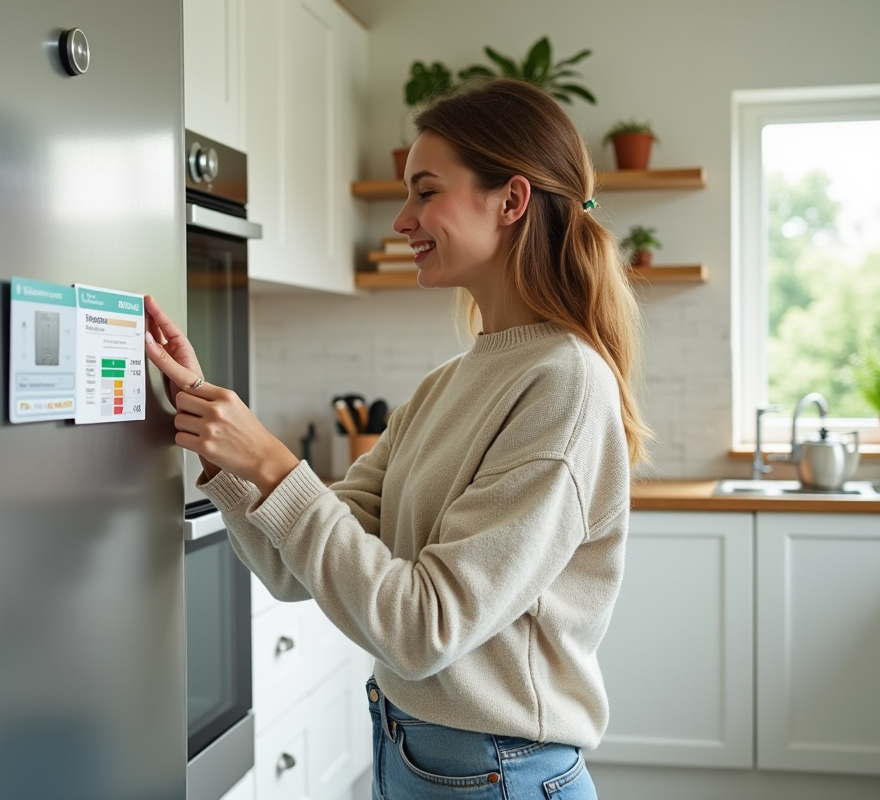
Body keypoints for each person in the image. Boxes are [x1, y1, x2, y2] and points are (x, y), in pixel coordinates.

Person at [144, 77, 650, 800]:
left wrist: (274, 463)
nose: (402, 220)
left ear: (510, 200)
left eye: (425, 191)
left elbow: (422, 630)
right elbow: (292, 570)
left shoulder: (565, 384)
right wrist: (213, 439)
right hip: (414, 755)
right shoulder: (447, 384)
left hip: (498, 773)